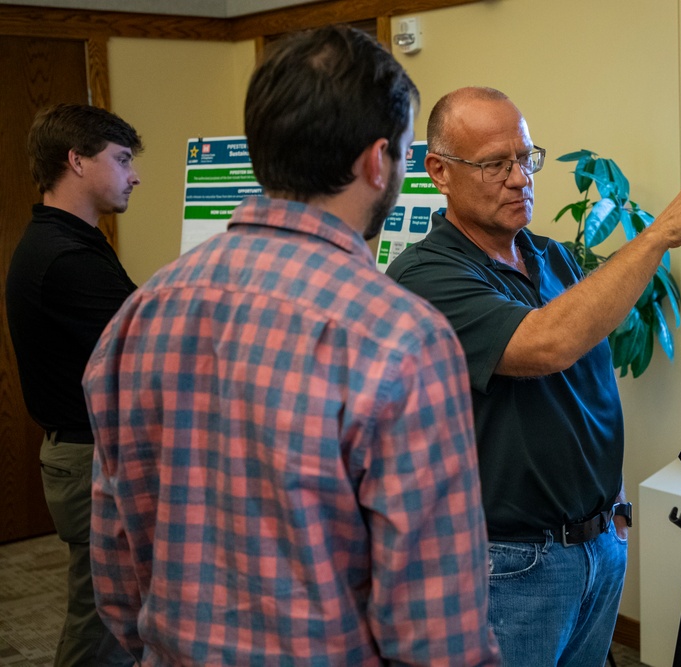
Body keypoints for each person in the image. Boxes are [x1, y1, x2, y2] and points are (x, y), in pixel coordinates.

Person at [81, 27, 499, 666]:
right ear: (376, 160)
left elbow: (115, 572)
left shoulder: (138, 315)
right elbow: (436, 635)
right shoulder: (401, 340)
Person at [386, 86, 681, 666]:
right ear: (439, 172)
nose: (520, 178)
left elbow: (590, 382)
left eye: (525, 159)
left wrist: (614, 507)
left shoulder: (552, 257)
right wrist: (658, 235)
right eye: (496, 164)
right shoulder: (426, 277)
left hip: (599, 545)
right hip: (513, 568)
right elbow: (547, 345)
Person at [5, 103, 142, 667]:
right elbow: (146, 340)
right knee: (101, 624)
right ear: (77, 162)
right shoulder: (64, 257)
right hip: (89, 458)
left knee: (113, 611)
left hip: (86, 452)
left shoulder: (73, 241)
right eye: (122, 159)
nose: (134, 174)